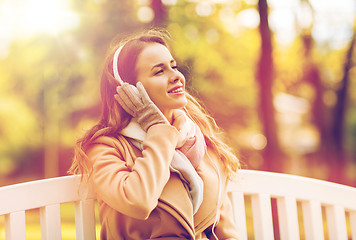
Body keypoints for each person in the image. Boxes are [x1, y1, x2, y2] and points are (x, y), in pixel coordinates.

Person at [69, 29, 240, 240]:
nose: (176, 76)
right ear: (129, 90)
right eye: (159, 71)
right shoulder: (105, 147)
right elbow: (138, 201)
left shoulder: (198, 139)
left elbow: (224, 229)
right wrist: (157, 128)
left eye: (173, 67)